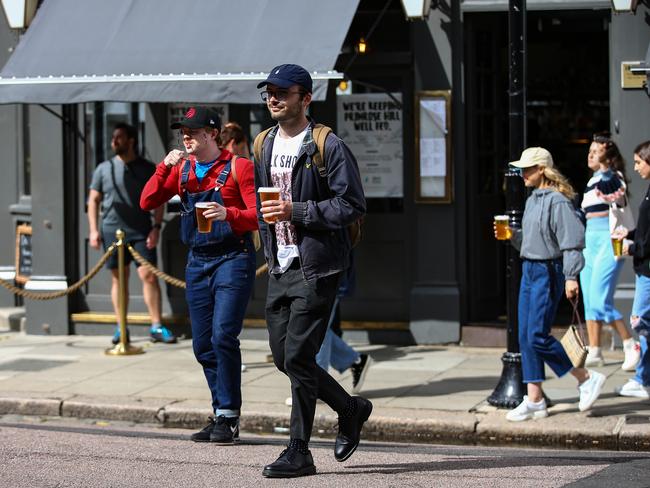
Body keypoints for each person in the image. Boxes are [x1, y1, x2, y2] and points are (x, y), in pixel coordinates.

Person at [254, 64, 371, 478]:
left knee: (299, 355)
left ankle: (298, 450)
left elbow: (353, 204)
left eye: (282, 92)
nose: (273, 98)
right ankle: (351, 408)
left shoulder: (328, 145)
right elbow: (260, 202)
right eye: (269, 91)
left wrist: (296, 210)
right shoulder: (263, 143)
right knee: (287, 358)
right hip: (279, 264)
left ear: (305, 99)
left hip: (316, 266)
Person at [140, 106, 257, 444]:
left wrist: (228, 213)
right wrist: (164, 166)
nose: (186, 137)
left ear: (212, 134)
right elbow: (147, 201)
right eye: (183, 132)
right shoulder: (182, 170)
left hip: (233, 258)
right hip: (197, 261)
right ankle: (221, 412)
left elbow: (260, 216)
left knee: (223, 336)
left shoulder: (239, 167)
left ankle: (229, 416)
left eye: (193, 131)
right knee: (203, 344)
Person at [497, 147, 606, 422]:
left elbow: (572, 243)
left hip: (548, 271)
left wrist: (571, 277)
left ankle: (585, 377)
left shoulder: (558, 202)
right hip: (530, 269)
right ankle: (534, 399)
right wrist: (513, 235)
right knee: (526, 336)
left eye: (527, 168)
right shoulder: (534, 199)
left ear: (542, 170)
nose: (522, 173)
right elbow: (533, 241)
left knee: (536, 335)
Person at [88, 123, 177, 345]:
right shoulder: (103, 168)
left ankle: (156, 326)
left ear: (131, 141)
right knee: (119, 277)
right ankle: (121, 328)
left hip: (141, 231)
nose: (113, 142)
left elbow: (159, 200)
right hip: (111, 230)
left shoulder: (147, 168)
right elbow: (93, 200)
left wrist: (156, 227)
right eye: (113, 138)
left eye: (118, 137)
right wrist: (93, 230)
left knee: (148, 275)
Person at [580, 132, 640, 370]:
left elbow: (613, 192)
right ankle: (594, 349)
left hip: (608, 239)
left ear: (607, 155)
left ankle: (629, 344)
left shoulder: (613, 177)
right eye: (589, 150)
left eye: (596, 151)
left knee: (599, 299)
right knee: (589, 298)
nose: (590, 154)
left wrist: (606, 165)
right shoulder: (592, 179)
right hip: (589, 240)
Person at [613, 140, 650, 399]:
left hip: (648, 270)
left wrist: (631, 249)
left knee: (639, 320)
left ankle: (642, 379)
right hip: (644, 267)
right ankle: (642, 379)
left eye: (639, 162)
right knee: (645, 326)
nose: (635, 167)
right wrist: (631, 233)